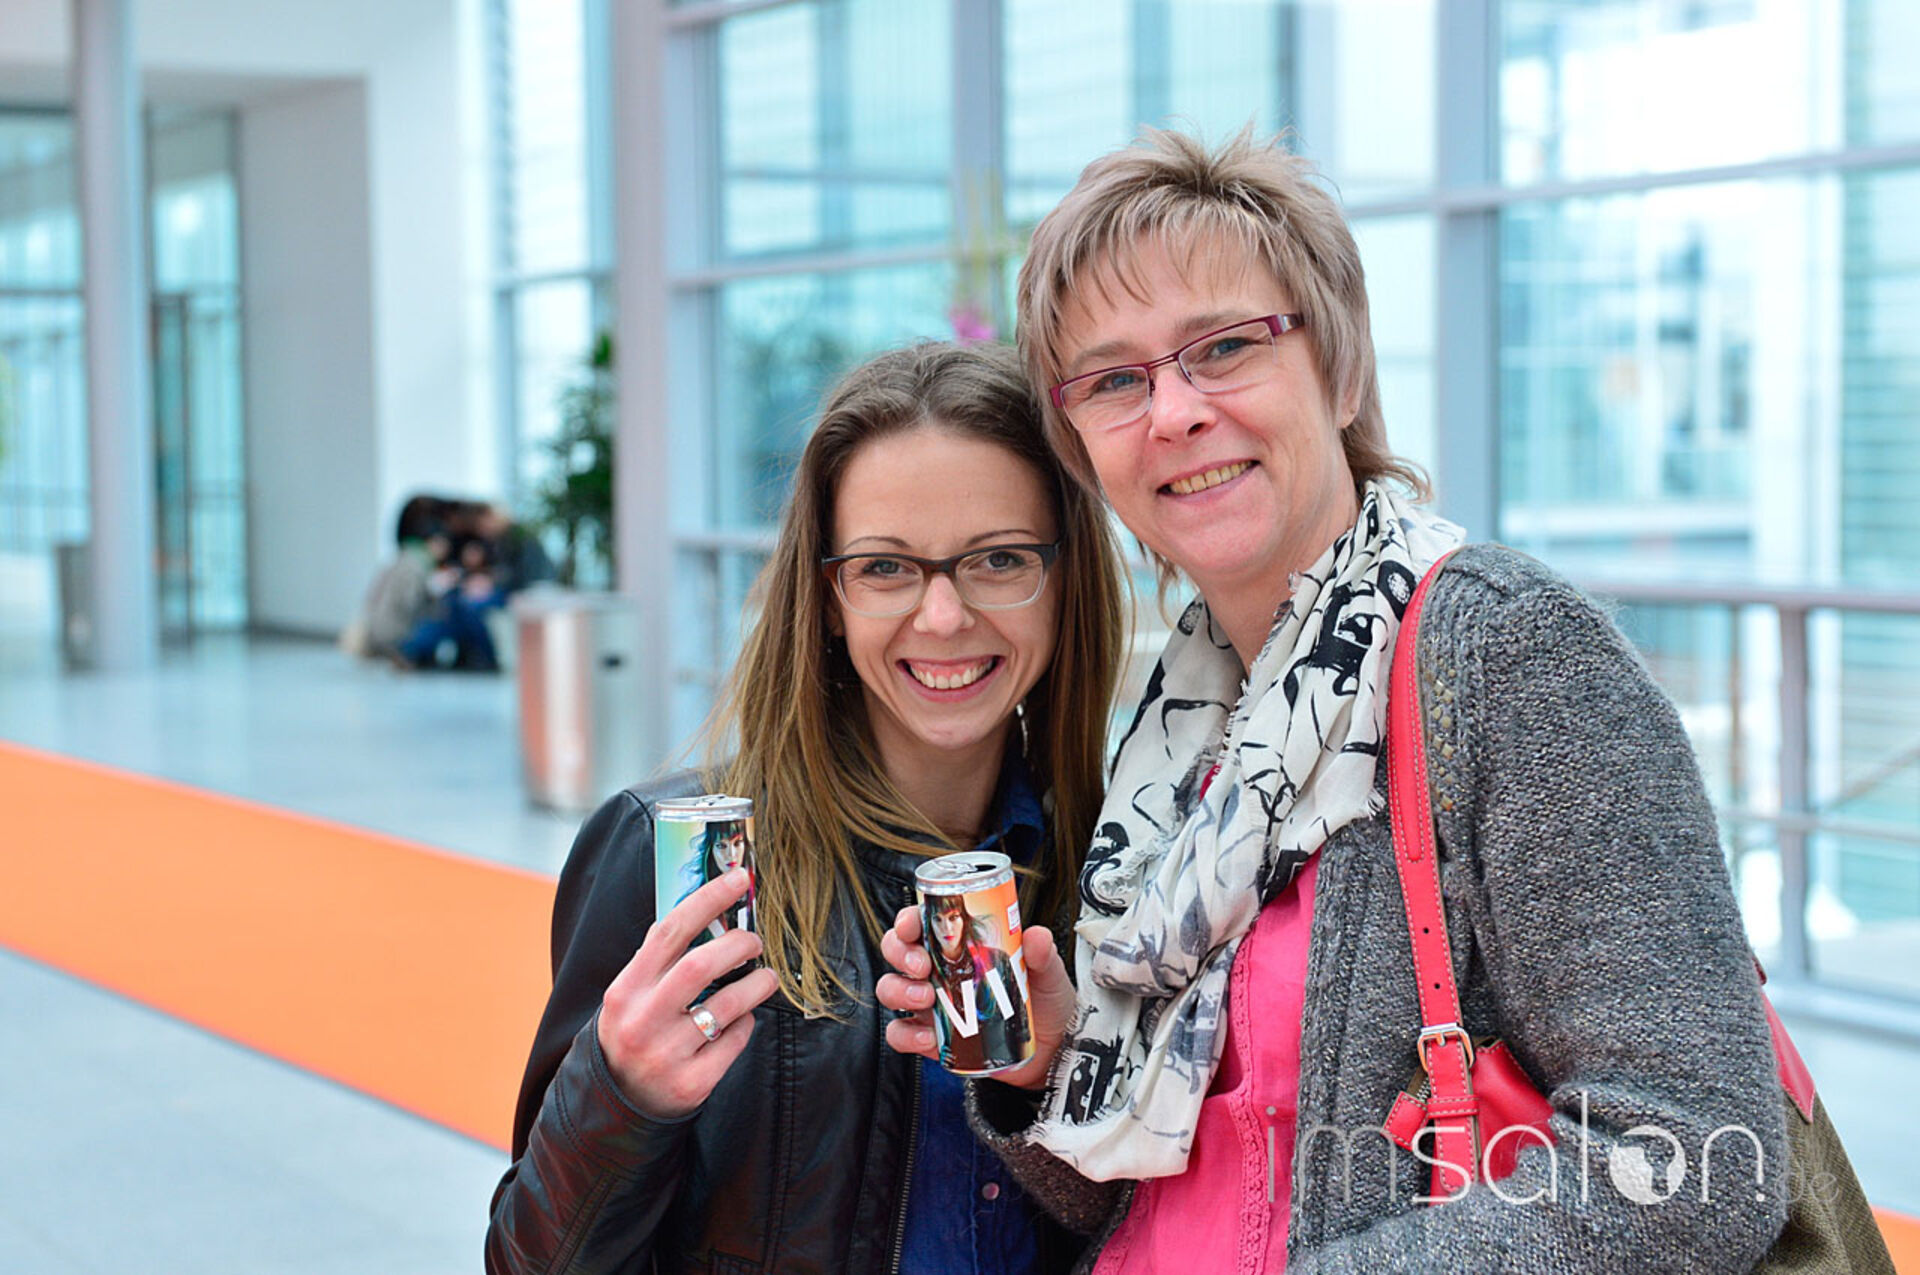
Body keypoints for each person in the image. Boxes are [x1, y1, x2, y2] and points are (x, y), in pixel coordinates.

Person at [877, 129, 1792, 1271]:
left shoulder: (1506, 658)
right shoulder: (1186, 729)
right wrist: (1052, 1059)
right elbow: (1179, 1198)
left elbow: (1700, 1163)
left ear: (1343, 370)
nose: (1173, 412)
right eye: (1114, 380)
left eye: (1223, 347)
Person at [486, 342, 1127, 1274]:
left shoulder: (1117, 860)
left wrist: (1051, 1085)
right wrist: (619, 1100)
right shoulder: (675, 857)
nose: (944, 616)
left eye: (998, 558)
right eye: (885, 568)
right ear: (828, 596)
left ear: (1063, 581)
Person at [924, 891, 1030, 1074]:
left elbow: (1022, 1027)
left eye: (953, 917)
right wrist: (943, 1051)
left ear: (964, 919)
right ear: (930, 923)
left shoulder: (997, 959)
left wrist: (1017, 1063)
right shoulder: (932, 969)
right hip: (959, 1068)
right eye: (938, 919)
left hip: (1005, 1063)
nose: (946, 928)